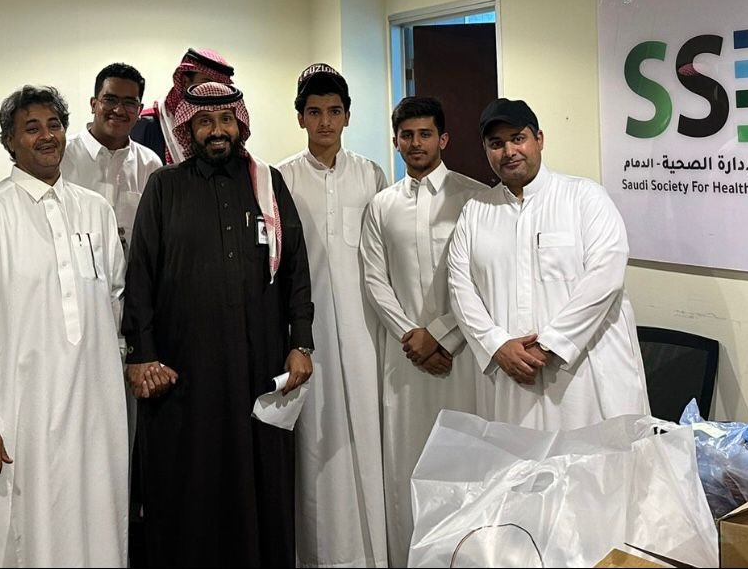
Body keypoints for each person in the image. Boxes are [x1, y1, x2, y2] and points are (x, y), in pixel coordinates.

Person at [123, 81, 314, 567]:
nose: (216, 131)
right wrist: (142, 354)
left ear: (240, 124)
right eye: (205, 122)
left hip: (260, 363)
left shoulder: (267, 184)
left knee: (262, 478)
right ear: (189, 129)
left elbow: (296, 269)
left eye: (226, 120)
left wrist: (301, 343)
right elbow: (140, 275)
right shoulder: (164, 187)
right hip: (185, 371)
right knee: (190, 482)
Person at [0, 85, 127, 566]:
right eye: (31, 128)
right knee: (15, 533)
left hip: (93, 409)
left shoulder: (96, 210)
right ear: (9, 141)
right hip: (17, 410)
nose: (46, 136)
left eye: (54, 125)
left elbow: (114, 302)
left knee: (94, 520)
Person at [447, 98, 649, 428]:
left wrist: (550, 345)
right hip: (513, 377)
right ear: (486, 150)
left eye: (518, 138)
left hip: (585, 376)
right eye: (496, 144)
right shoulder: (475, 212)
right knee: (522, 458)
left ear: (539, 139)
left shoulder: (585, 197)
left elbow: (605, 278)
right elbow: (460, 288)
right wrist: (496, 345)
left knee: (596, 457)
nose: (509, 151)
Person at [359, 96, 487, 567]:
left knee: (465, 465)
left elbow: (479, 279)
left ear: (443, 139)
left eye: (425, 134)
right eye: (407, 136)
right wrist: (411, 336)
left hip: (464, 358)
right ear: (396, 142)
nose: (416, 143)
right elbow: (374, 279)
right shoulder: (381, 205)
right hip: (406, 361)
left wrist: (442, 334)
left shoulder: (474, 197)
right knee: (406, 468)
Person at [277, 64, 389, 568]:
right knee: (314, 443)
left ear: (348, 116)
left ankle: (371, 553)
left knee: (367, 432)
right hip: (307, 330)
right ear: (300, 117)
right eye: (315, 111)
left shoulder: (371, 175)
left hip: (365, 328)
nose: (325, 122)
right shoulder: (280, 178)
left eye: (335, 111)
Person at [61, 62, 161, 251]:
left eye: (129, 103)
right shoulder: (62, 156)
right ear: (93, 104)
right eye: (110, 100)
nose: (119, 110)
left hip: (131, 269)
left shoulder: (150, 164)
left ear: (139, 110)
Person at [129, 47, 234, 164]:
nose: (215, 91)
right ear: (185, 82)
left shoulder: (224, 129)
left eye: (221, 86)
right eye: (207, 83)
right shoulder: (147, 123)